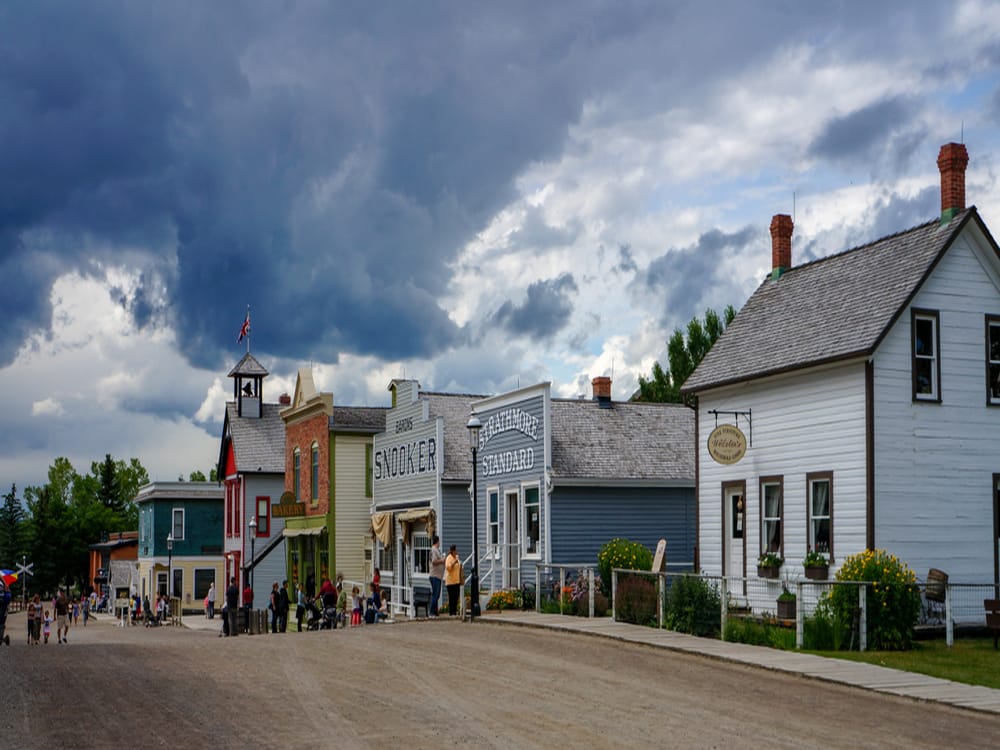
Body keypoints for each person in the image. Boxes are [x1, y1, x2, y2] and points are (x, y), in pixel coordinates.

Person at [429, 534, 445, 617]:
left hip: (438, 576)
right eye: (439, 541)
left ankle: (435, 611)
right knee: (435, 594)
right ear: (437, 541)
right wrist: (442, 560)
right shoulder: (434, 550)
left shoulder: (437, 550)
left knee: (437, 595)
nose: (439, 543)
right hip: (435, 576)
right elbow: (434, 561)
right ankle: (432, 612)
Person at [445, 545, 462, 617]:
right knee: (452, 597)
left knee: (456, 597)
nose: (456, 552)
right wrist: (454, 562)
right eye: (455, 550)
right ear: (452, 551)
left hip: (457, 581)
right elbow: (448, 567)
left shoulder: (456, 557)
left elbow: (459, 566)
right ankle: (451, 613)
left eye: (456, 550)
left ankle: (454, 612)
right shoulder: (449, 558)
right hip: (450, 581)